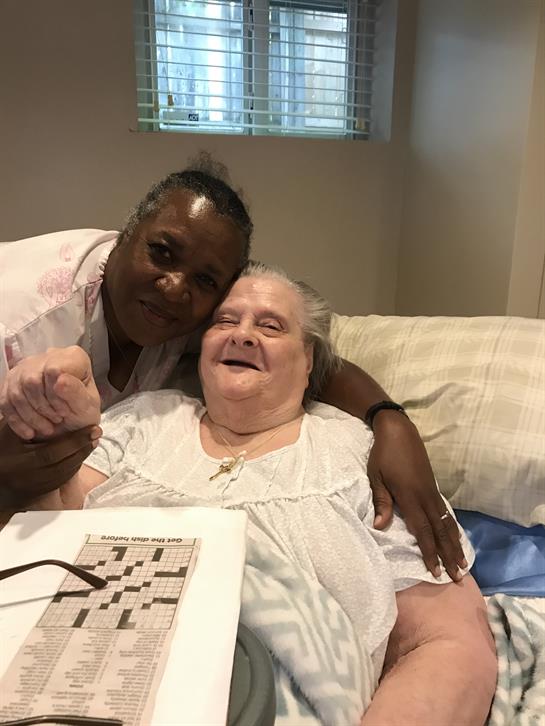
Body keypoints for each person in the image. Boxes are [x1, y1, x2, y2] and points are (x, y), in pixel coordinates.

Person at [8, 263, 497, 725]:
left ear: (308, 359)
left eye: (270, 326)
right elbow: (52, 534)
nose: (242, 335)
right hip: (87, 675)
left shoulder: (360, 454)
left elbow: (449, 641)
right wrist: (60, 437)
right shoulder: (143, 420)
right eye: (225, 321)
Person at [0, 156, 465, 579]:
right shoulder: (20, 324)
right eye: (161, 252)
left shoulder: (189, 316)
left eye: (206, 281)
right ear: (123, 236)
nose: (174, 287)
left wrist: (391, 421)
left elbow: (298, 355)